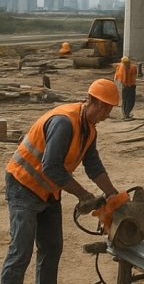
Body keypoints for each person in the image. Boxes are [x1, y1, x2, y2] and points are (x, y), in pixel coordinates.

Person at [2, 78, 122, 284]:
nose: (106, 116)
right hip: (23, 185)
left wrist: (112, 194)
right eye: (107, 111)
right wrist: (83, 195)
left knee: (52, 247)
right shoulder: (64, 122)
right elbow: (51, 166)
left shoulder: (89, 129)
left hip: (49, 191)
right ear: (97, 103)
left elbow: (93, 165)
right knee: (21, 252)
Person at [113, 55, 138, 120]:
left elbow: (118, 76)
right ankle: (126, 115)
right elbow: (120, 77)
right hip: (127, 86)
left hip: (130, 86)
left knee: (129, 101)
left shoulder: (131, 67)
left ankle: (126, 114)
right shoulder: (122, 68)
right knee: (127, 101)